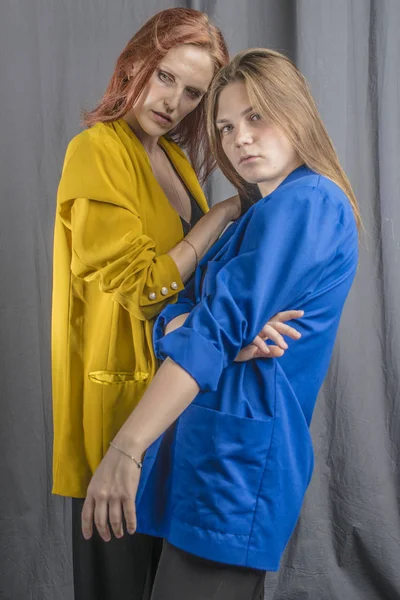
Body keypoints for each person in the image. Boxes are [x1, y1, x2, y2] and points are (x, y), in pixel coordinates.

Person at [81, 48, 361, 599]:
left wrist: (126, 449)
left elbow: (207, 330)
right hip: (206, 456)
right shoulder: (256, 214)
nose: (240, 138)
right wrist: (205, 330)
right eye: (227, 126)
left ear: (296, 112)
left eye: (257, 116)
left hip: (235, 469)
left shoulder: (307, 202)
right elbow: (176, 320)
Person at [52, 10, 302, 600]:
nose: (175, 102)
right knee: (118, 585)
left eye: (194, 93)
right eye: (165, 77)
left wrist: (235, 336)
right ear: (136, 62)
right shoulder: (95, 150)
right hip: (115, 412)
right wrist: (214, 220)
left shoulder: (179, 161)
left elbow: (191, 292)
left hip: (174, 404)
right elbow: (141, 287)